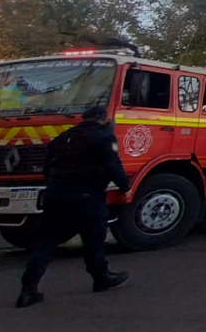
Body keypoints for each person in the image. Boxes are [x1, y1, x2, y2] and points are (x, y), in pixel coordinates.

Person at [16, 105, 131, 309]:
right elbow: (113, 165)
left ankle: (28, 289)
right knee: (93, 239)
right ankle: (101, 277)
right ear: (103, 119)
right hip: (87, 196)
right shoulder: (103, 138)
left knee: (47, 242)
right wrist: (125, 186)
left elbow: (47, 168)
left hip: (56, 195)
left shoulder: (62, 138)